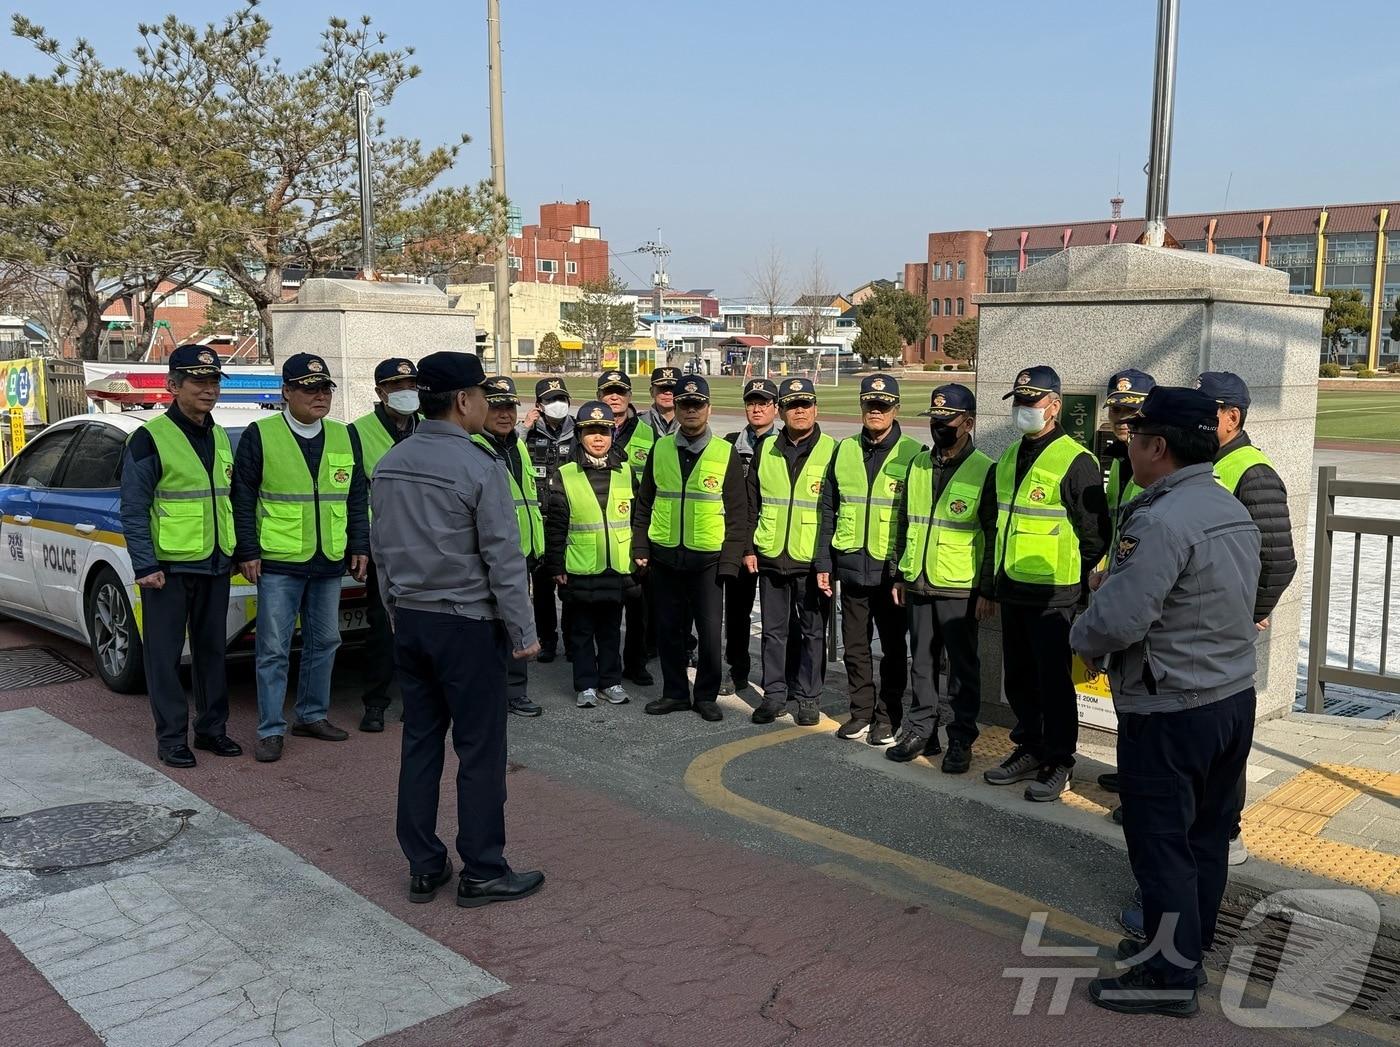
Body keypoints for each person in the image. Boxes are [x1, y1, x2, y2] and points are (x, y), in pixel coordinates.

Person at [1070, 386, 1261, 1017]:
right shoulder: (1226, 506)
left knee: (1162, 842)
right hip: (1230, 697)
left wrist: (1083, 633)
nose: (1126, 447)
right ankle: (1185, 945)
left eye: (1133, 438)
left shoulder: (1159, 518)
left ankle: (1170, 976)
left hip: (1171, 704)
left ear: (1157, 447)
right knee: (1206, 834)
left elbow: (1121, 620)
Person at [369, 350, 545, 908]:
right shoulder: (479, 465)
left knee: (421, 743)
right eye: (483, 397)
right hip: (467, 624)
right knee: (480, 751)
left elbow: (381, 550)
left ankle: (424, 864)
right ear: (465, 400)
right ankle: (483, 869)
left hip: (413, 621)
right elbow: (504, 558)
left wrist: (398, 613)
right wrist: (524, 633)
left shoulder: (392, 461)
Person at [980, 365, 1109, 801]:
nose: (1024, 409)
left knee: (1053, 683)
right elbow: (997, 524)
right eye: (1019, 401)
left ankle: (1059, 761)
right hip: (1014, 589)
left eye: (1032, 401)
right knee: (1018, 678)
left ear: (1054, 406)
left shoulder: (1076, 460)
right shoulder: (1009, 457)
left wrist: (1078, 589)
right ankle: (1030, 748)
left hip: (1056, 595)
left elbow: (1094, 535)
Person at [233, 353, 369, 764]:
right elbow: (242, 497)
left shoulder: (345, 436)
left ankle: (311, 714)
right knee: (273, 648)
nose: (320, 396)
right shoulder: (262, 434)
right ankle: (271, 729)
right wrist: (248, 551)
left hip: (328, 558)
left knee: (325, 640)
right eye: (310, 389)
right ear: (287, 392)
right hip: (278, 560)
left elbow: (356, 496)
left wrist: (359, 545)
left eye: (325, 388)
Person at [119, 345, 242, 768]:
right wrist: (145, 564)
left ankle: (212, 730)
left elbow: (230, 498)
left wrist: (240, 552)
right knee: (164, 657)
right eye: (199, 382)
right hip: (168, 568)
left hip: (215, 562)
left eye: (214, 382)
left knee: (212, 651)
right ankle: (172, 738)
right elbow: (134, 507)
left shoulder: (220, 434)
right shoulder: (149, 438)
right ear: (173, 386)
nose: (209, 390)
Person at [1198, 370, 1298, 867]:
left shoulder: (1251, 471)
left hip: (1224, 629)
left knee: (1223, 732)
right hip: (1197, 626)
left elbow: (1279, 558)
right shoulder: (1206, 460)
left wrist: (1250, 613)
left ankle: (1227, 830)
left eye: (1206, 410)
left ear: (1232, 417)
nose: (1198, 418)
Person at [889, 384, 996, 772]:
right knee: (921, 662)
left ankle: (961, 738)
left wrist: (987, 589)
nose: (938, 427)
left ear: (967, 423)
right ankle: (922, 731)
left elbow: (992, 533)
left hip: (959, 586)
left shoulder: (985, 469)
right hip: (917, 579)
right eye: (934, 419)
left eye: (946, 420)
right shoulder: (918, 464)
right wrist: (899, 573)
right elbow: (905, 520)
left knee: (962, 670)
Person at [632, 376, 747, 721]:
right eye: (685, 404)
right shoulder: (661, 448)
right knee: (669, 630)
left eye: (697, 405)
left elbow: (738, 513)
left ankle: (707, 696)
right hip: (666, 557)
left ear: (709, 409)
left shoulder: (725, 453)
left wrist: (729, 562)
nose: (691, 410)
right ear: (677, 409)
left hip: (708, 561)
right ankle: (675, 693)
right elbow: (644, 502)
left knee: (710, 634)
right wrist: (641, 545)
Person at [816, 374, 921, 746]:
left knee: (893, 650)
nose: (875, 411)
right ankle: (861, 711)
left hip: (889, 572)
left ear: (896, 409)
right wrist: (824, 564)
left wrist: (903, 573)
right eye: (869, 404)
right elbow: (828, 509)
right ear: (861, 407)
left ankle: (887, 716)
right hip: (850, 567)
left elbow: (914, 520)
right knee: (855, 647)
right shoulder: (843, 450)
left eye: (883, 405)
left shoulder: (913, 454)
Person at [746, 377, 837, 727]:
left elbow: (835, 509)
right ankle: (774, 695)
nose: (800, 411)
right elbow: (752, 502)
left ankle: (809, 697)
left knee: (814, 632)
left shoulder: (833, 449)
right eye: (792, 405)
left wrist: (826, 560)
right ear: (780, 410)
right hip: (771, 554)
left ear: (815, 408)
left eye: (806, 404)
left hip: (811, 559)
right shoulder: (765, 448)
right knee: (773, 631)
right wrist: (750, 547)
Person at [542, 401, 637, 708]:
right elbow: (556, 525)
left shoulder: (626, 472)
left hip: (616, 566)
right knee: (581, 632)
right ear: (580, 436)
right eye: (591, 432)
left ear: (613, 434)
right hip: (579, 567)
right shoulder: (565, 474)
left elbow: (636, 519)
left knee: (611, 630)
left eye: (604, 432)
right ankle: (585, 685)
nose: (598, 438)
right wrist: (556, 564)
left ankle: (611, 681)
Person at [1089, 368, 1153, 798]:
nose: (1122, 417)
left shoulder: (1153, 466)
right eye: (1116, 409)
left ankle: (1144, 784)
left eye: (1132, 411)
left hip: (1141, 593)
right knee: (1123, 689)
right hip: (1114, 585)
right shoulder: (1117, 461)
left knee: (1144, 694)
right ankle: (1131, 770)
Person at [350, 357, 421, 732]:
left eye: (411, 385)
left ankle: (417, 700)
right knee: (381, 628)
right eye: (397, 387)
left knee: (422, 627)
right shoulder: (358, 432)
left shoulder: (427, 428)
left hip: (426, 546)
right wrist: (359, 544)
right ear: (380, 392)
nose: (406, 393)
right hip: (384, 547)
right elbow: (354, 496)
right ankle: (375, 703)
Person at [475, 376, 546, 718]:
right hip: (487, 553)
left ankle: (516, 691)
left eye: (509, 407)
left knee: (517, 621)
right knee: (486, 626)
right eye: (496, 406)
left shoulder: (516, 444)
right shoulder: (474, 446)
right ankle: (488, 692)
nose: (504, 414)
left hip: (521, 552)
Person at [721, 377, 780, 695]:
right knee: (738, 612)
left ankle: (777, 677)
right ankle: (737, 669)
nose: (757, 409)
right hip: (739, 539)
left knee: (776, 617)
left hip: (774, 541)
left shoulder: (785, 445)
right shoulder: (730, 443)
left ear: (775, 408)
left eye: (764, 402)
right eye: (751, 402)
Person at [598, 370, 655, 685]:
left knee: (638, 606)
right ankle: (605, 665)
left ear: (630, 395)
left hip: (635, 529)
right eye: (608, 392)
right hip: (601, 532)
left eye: (620, 391)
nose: (614, 397)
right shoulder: (591, 430)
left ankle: (636, 662)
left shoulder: (648, 434)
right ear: (599, 396)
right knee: (604, 607)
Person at [521, 377, 577, 663]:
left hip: (569, 521)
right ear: (539, 406)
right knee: (542, 589)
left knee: (569, 587)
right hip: (540, 522)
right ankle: (547, 641)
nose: (558, 405)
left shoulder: (578, 431)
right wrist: (525, 427)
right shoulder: (528, 434)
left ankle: (571, 640)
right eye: (551, 399)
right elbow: (502, 450)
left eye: (562, 399)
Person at [639, 366, 680, 436]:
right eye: (662, 388)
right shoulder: (640, 422)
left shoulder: (690, 421)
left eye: (673, 388)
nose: (668, 393)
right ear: (652, 392)